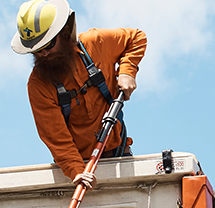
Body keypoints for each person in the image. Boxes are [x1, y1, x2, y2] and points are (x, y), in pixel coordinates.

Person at [11, 0, 146, 188]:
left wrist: (126, 72)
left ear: (64, 31)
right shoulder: (38, 85)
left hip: (119, 153)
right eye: (36, 49)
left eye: (48, 44)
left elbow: (136, 38)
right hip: (81, 167)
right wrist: (78, 171)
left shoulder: (95, 43)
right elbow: (56, 138)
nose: (44, 53)